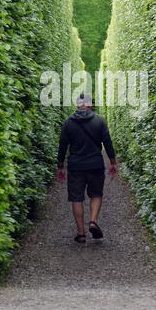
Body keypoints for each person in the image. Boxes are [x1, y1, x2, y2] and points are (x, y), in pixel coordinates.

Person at [56, 93, 118, 244]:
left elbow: (62, 146)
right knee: (96, 194)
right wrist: (113, 162)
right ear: (90, 104)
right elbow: (107, 143)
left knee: (76, 198)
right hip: (95, 164)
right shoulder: (99, 120)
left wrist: (60, 166)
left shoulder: (68, 123)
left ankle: (81, 233)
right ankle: (93, 221)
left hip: (76, 166)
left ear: (77, 105)